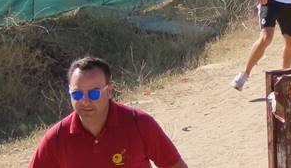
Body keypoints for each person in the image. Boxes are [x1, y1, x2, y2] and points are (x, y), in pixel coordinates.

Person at [28, 56, 187, 168]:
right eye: (77, 94)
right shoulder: (56, 138)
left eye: (93, 93)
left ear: (109, 91)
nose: (84, 100)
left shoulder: (140, 124)